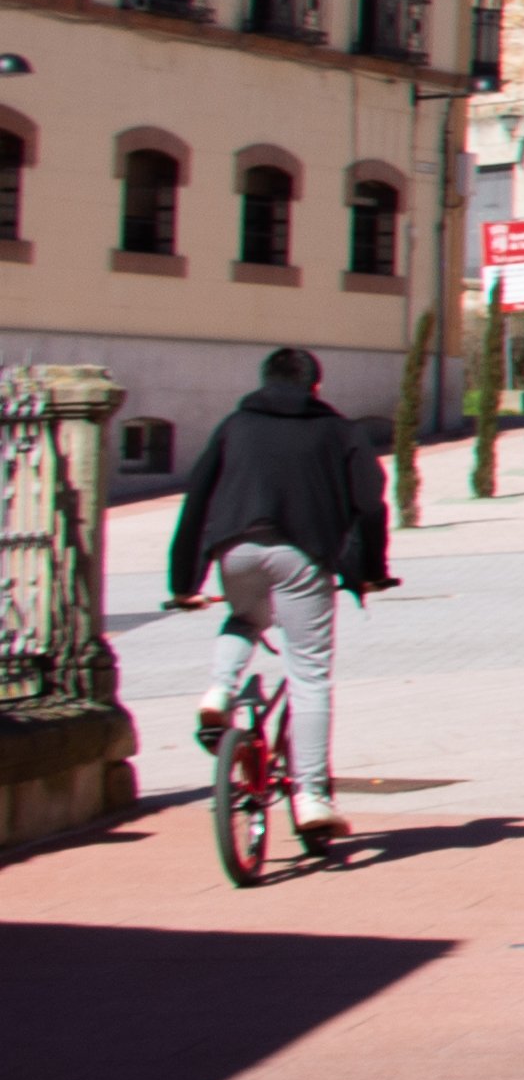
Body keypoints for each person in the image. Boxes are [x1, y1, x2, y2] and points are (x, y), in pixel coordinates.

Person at [163, 347, 391, 845]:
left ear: (264, 381)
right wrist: (371, 570)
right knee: (308, 673)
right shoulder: (338, 430)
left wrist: (184, 581)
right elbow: (370, 502)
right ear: (316, 386)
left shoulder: (236, 424)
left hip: (234, 548)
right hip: (301, 554)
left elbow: (196, 498)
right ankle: (311, 796)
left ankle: (219, 690)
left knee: (245, 617)